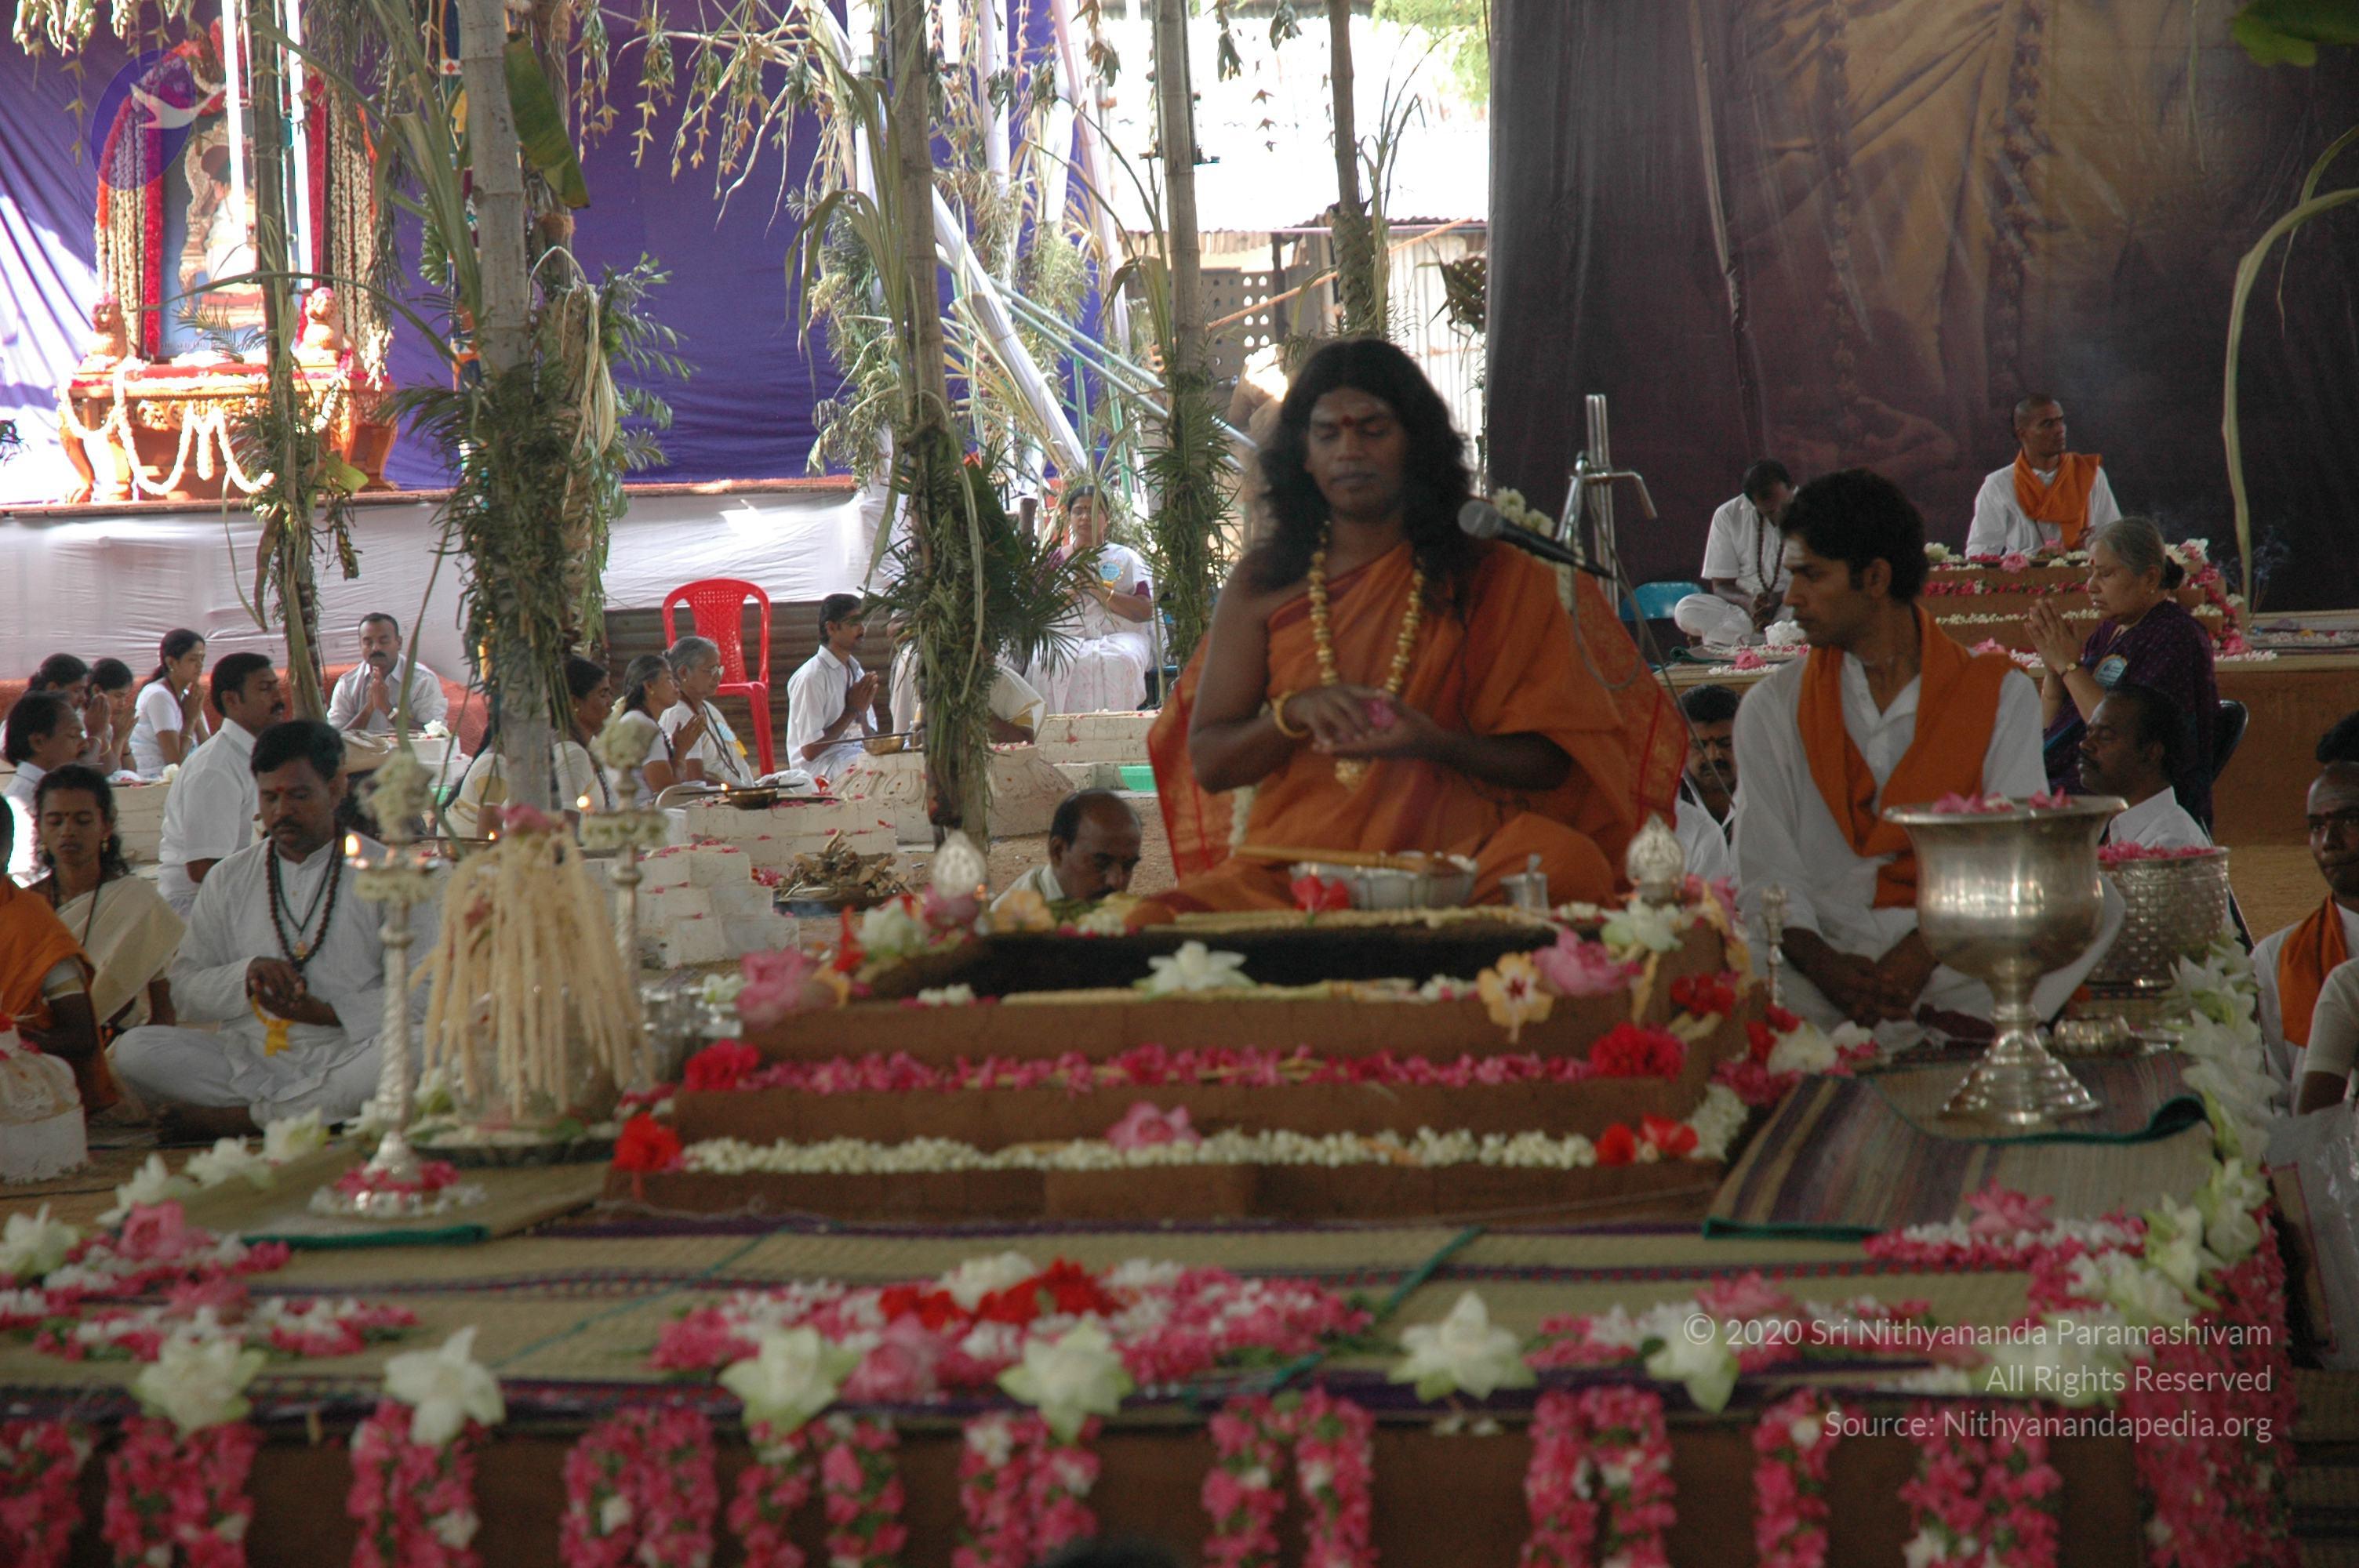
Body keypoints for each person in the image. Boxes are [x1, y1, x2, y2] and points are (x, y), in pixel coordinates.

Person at [1143, 339, 1686, 916]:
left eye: (1373, 430)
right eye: (1327, 434)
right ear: (1303, 454)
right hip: (1297, 867)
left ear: (1416, 443)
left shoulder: (1493, 573)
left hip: (1458, 862)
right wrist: (1293, 714)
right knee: (1155, 921)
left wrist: (1434, 742)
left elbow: (1551, 763)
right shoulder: (1264, 582)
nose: (1349, 451)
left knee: (1569, 866)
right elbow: (1211, 762)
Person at [1732, 468, 2118, 1039]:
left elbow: (2009, 849)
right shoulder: (1771, 707)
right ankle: (1937, 1026)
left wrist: (1921, 953)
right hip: (1823, 950)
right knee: (1720, 952)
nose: (1791, 598)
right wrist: (1827, 968)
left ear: (1875, 578)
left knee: (2101, 904)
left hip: (1956, 948)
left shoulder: (1997, 693)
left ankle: (1895, 1023)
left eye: (1810, 575)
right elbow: (1767, 871)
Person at [114, 720, 437, 1138]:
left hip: (352, 1051)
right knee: (135, 1051)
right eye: (270, 797)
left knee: (428, 1046)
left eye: (299, 796)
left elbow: (425, 991)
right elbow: (186, 992)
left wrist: (328, 1014)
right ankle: (316, 1111)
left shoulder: (389, 873)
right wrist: (245, 976)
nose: (282, 812)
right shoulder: (228, 878)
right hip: (252, 1058)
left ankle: (246, 1120)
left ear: (336, 789)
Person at [2029, 516, 2218, 827]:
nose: (2091, 586)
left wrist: (2070, 667)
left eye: (2106, 574)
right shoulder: (2109, 631)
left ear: (2150, 578)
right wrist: (2054, 673)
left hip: (2129, 799)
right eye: (2091, 573)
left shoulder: (2175, 636)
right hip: (2075, 778)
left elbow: (2119, 737)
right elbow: (2054, 729)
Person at [30, 765, 184, 1034]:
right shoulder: (24, 906)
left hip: (121, 1046)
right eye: (55, 821)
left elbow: (164, 1013)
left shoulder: (139, 902)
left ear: (106, 826)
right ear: (39, 828)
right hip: (35, 1046)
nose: (68, 831)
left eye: (83, 820)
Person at [2253, 730, 2359, 1104]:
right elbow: (2268, 1100)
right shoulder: (2277, 958)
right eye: (2317, 826)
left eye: (2350, 821)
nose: (2329, 842)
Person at [158, 652, 288, 915]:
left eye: (277, 687)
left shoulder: (252, 756)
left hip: (241, 894)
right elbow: (204, 869)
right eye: (265, 689)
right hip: (199, 906)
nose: (279, 699)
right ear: (231, 699)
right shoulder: (215, 769)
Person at [0, 797, 108, 1112]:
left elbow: (81, 1037)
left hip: (20, 1075)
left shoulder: (32, 923)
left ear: (5, 852)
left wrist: (11, 1043)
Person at [447, 656, 614, 835]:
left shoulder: (573, 746)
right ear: (574, 702)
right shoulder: (572, 754)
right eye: (603, 694)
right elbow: (565, 830)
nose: (611, 702)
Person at [1027, 485, 1158, 713]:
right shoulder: (1054, 560)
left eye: (1093, 510)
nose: (1085, 517)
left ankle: (1115, 730)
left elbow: (1144, 611)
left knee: (1119, 661)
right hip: (1063, 636)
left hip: (1118, 636)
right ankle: (1057, 733)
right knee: (1043, 662)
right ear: (1070, 517)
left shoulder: (1126, 558)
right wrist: (1071, 594)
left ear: (1107, 518)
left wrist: (1099, 591)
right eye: (1079, 511)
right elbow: (1034, 612)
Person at [1965, 394, 2121, 558]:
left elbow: (2116, 539)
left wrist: (2094, 545)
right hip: (2025, 574)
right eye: (2048, 424)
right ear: (2022, 434)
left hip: (2086, 573)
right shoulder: (1998, 484)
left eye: (2061, 421)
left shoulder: (2090, 474)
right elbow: (1979, 552)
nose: (2060, 429)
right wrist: (2032, 556)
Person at [1674, 461, 1797, 645]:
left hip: (1792, 605)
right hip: (1743, 613)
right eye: (1770, 511)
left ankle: (1747, 642)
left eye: (1783, 506)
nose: (1779, 514)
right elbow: (1721, 586)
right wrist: (1749, 603)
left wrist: (1779, 598)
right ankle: (1773, 640)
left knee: (1819, 608)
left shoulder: (1817, 511)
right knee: (1686, 609)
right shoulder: (1727, 515)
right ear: (1752, 502)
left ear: (1792, 488)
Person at [2077, 684, 2209, 850]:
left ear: (2151, 753)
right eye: (2089, 732)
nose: (2085, 744)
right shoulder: (2113, 828)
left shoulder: (2171, 845)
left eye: (2105, 736)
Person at [887, 615, 1047, 746]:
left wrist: (980, 713)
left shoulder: (1004, 684)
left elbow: (1026, 743)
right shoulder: (942, 683)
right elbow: (915, 740)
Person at [993, 790, 1144, 914]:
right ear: (1058, 852)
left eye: (1128, 866)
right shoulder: (1009, 926)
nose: (1115, 881)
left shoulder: (1127, 917)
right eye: (1101, 863)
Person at [783, 599, 877, 780]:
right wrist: (852, 711)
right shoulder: (811, 677)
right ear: (832, 628)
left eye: (863, 622)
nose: (862, 629)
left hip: (854, 756)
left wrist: (862, 713)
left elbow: (870, 738)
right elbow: (809, 751)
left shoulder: (856, 672)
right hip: (821, 768)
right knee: (876, 767)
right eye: (854, 623)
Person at [5, 691, 86, 881]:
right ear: (38, 742)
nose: (85, 745)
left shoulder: (51, 791)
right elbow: (23, 879)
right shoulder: (21, 803)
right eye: (74, 735)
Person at [325, 613, 449, 734]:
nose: (376, 648)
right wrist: (368, 709)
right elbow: (333, 739)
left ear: (399, 643)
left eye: (383, 641)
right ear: (360, 645)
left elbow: (434, 733)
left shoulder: (423, 680)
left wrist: (387, 709)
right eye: (368, 642)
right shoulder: (348, 684)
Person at [663, 635, 758, 789]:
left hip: (738, 789)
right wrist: (741, 792)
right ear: (684, 673)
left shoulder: (708, 708)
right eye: (710, 670)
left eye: (718, 669)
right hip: (717, 797)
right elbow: (694, 780)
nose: (718, 676)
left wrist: (753, 788)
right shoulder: (680, 714)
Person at [607, 654, 689, 804]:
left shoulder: (636, 719)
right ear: (649, 686)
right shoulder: (642, 726)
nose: (677, 684)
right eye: (668, 678)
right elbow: (668, 794)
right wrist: (681, 752)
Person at [129, 630, 212, 775]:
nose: (200, 665)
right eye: (193, 659)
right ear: (171, 662)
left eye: (202, 659)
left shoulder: (188, 697)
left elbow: (210, 753)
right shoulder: (158, 696)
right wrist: (190, 721)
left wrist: (196, 717)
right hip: (155, 780)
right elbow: (175, 764)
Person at [1678, 684, 1741, 831]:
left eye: (1726, 743)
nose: (1713, 756)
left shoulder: (1770, 790)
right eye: (1699, 745)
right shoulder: (1663, 797)